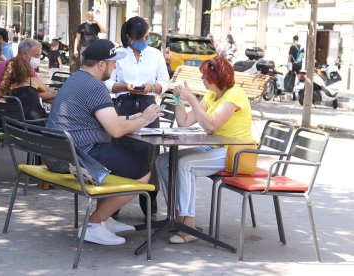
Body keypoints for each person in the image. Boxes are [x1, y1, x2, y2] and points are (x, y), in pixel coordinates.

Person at [45, 39, 163, 245]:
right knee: (143, 171)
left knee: (126, 156)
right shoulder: (95, 87)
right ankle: (93, 224)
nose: (115, 66)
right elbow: (116, 130)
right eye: (113, 62)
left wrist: (137, 117)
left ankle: (105, 219)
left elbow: (107, 119)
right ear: (101, 64)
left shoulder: (76, 79)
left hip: (61, 152)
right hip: (78, 155)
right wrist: (144, 119)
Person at [156, 56, 253, 244]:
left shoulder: (235, 94)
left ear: (215, 78)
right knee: (163, 161)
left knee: (185, 164)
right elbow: (184, 122)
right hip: (214, 147)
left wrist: (192, 98)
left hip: (235, 152)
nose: (201, 80)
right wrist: (178, 99)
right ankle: (176, 218)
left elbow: (211, 125)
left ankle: (188, 227)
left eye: (204, 76)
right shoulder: (211, 95)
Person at [105, 16, 169, 220]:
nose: (145, 40)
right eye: (141, 37)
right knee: (120, 150)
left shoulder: (155, 54)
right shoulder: (118, 54)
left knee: (150, 154)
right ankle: (113, 206)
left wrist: (152, 87)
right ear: (130, 38)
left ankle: (150, 203)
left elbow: (164, 81)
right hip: (124, 104)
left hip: (148, 104)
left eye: (147, 36)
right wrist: (126, 87)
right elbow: (107, 83)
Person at [0, 38, 57, 116]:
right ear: (24, 54)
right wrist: (57, 95)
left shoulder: (18, 65)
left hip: (0, 112)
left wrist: (54, 95)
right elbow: (29, 95)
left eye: (40, 55)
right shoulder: (13, 68)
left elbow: (40, 90)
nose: (39, 59)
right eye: (36, 55)